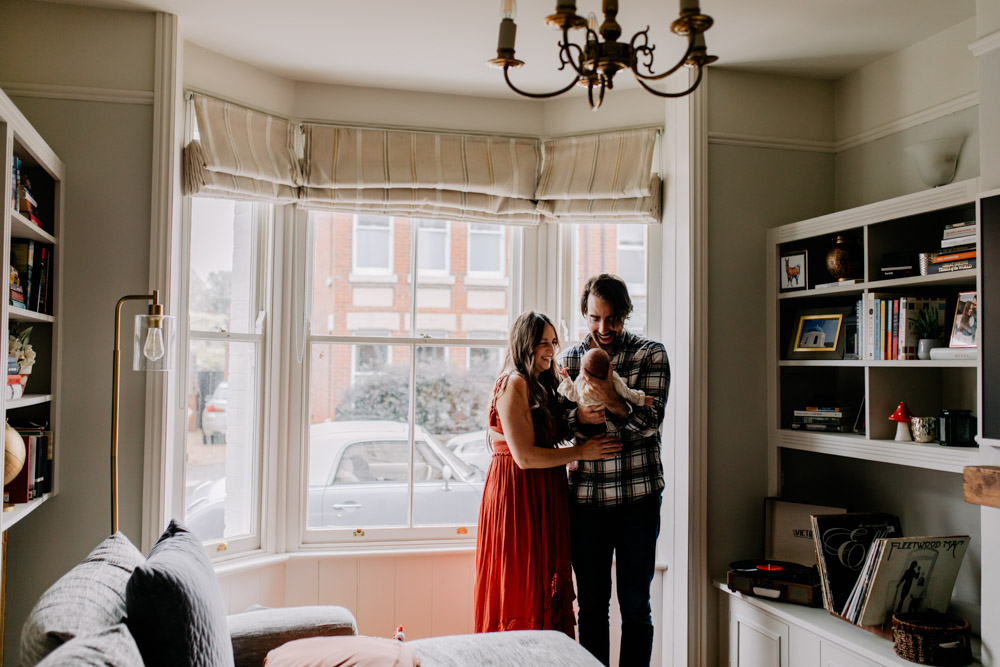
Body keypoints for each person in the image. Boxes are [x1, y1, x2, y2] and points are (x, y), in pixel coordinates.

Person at [475, 311, 622, 637]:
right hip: (518, 495)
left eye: (554, 342)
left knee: (546, 586)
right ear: (523, 343)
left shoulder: (540, 383)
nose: (551, 349)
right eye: (543, 342)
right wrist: (581, 453)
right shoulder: (513, 383)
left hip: (546, 493)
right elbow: (524, 457)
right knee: (524, 587)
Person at [559, 274, 670, 667]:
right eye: (594, 318)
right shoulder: (570, 361)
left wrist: (612, 401)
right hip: (587, 501)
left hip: (638, 500)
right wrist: (581, 420)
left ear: (625, 315)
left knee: (636, 605)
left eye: (612, 319)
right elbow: (557, 425)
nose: (603, 329)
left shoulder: (650, 354)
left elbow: (651, 421)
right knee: (591, 607)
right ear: (585, 314)